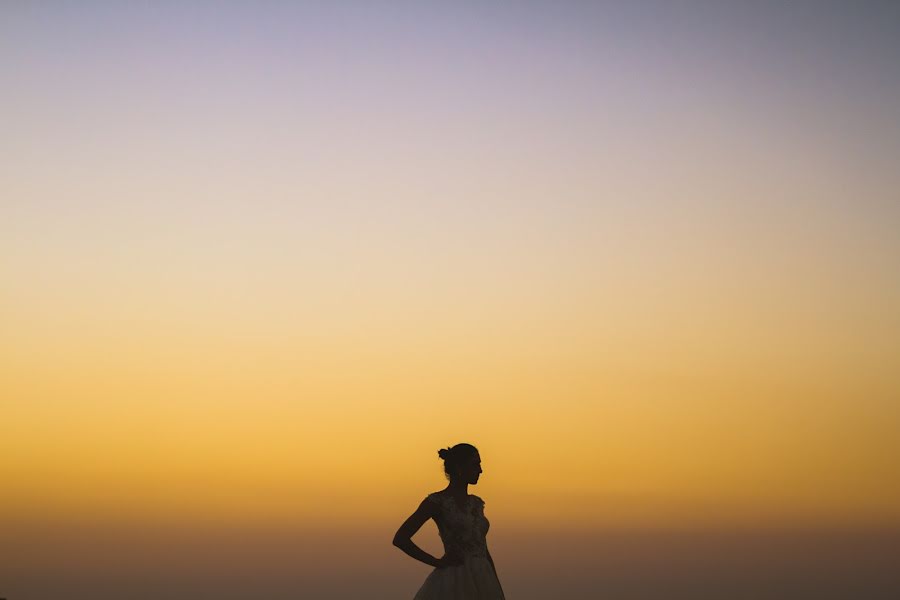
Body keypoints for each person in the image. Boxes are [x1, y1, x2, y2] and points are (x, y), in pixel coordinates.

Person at [393, 443, 506, 599]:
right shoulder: (437, 502)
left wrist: (497, 587)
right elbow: (400, 539)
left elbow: (483, 549)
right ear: (460, 468)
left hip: (484, 580)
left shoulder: (476, 503)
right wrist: (436, 562)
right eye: (475, 465)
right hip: (454, 579)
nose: (480, 470)